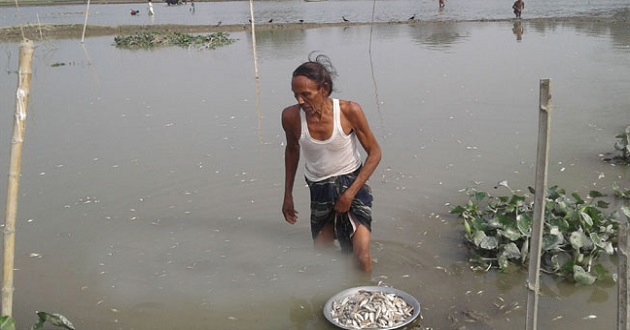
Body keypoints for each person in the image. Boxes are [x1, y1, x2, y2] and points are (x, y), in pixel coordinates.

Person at [281, 53, 382, 274]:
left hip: (352, 185)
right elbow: (292, 150)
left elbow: (375, 153)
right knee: (322, 258)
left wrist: (349, 194)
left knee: (362, 256)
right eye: (296, 94)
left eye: (306, 94)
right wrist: (287, 194)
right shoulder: (290, 117)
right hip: (319, 188)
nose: (300, 100)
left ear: (324, 90)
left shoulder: (348, 111)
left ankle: (365, 293)